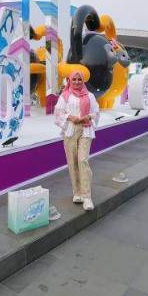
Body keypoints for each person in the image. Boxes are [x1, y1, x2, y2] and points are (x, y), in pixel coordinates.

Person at [54, 71, 100, 211]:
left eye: (79, 79)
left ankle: (87, 196)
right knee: (73, 162)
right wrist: (69, 116)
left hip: (85, 129)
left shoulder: (90, 96)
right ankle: (77, 192)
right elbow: (58, 112)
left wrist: (89, 116)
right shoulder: (65, 95)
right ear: (70, 80)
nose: (77, 82)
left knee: (82, 160)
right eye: (74, 79)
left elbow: (96, 111)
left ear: (83, 81)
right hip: (70, 131)